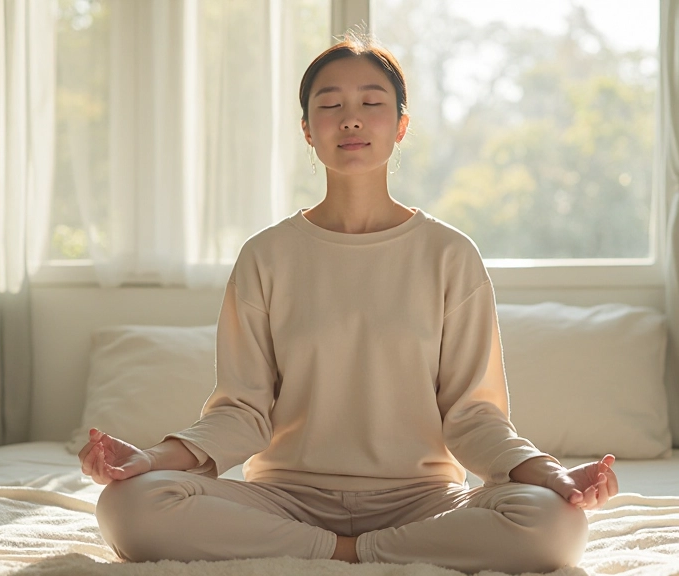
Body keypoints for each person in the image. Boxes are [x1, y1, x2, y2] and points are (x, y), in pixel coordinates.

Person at [80, 30, 618, 574]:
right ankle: (343, 551)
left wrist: (549, 474)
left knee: (555, 523)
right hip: (286, 500)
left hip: (422, 501)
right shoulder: (266, 256)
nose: (352, 120)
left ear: (401, 126)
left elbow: (473, 415)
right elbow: (241, 411)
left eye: (372, 103)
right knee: (128, 506)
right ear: (307, 130)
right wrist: (151, 459)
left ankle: (352, 551)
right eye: (331, 105)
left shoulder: (450, 255)